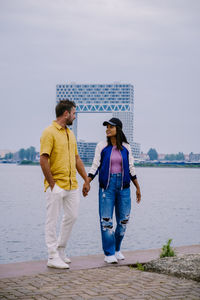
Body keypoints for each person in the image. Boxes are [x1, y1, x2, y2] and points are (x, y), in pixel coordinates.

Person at [40, 100, 90, 269]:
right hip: (56, 185)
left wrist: (86, 179)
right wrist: (52, 184)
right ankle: (52, 256)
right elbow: (43, 159)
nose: (75, 116)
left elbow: (76, 159)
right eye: (74, 113)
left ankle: (60, 249)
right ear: (66, 113)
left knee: (72, 216)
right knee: (52, 220)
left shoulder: (70, 134)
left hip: (72, 185)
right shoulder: (49, 132)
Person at [88, 118, 141, 264]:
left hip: (124, 188)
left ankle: (117, 249)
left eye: (111, 127)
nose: (108, 129)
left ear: (118, 129)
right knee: (106, 221)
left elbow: (131, 168)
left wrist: (137, 187)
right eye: (107, 127)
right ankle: (109, 252)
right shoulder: (102, 146)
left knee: (123, 221)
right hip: (107, 188)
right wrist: (88, 181)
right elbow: (95, 165)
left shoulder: (126, 147)